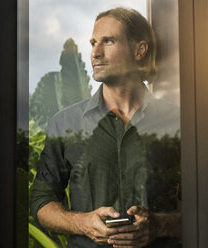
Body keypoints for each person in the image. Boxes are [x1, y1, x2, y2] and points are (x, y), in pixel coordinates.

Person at [30, 7, 181, 248]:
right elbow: (42, 201)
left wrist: (158, 225)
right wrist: (83, 223)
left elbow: (204, 207)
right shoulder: (65, 123)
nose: (95, 53)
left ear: (139, 50)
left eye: (108, 41)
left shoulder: (178, 122)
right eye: (93, 43)